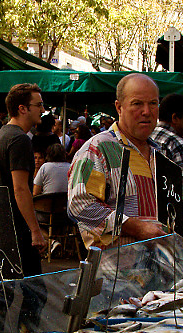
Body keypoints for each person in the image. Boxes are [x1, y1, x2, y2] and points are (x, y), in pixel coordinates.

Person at [68, 73, 167, 248]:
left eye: (153, 103)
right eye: (137, 103)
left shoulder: (161, 154)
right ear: (119, 107)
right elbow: (80, 205)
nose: (147, 111)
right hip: (116, 271)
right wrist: (135, 227)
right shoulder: (97, 148)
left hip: (160, 268)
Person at [0, 83, 50, 273]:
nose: (43, 110)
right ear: (22, 108)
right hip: (16, 228)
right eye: (38, 105)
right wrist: (35, 231)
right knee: (35, 293)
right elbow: (20, 189)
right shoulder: (19, 140)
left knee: (4, 293)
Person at [148, 93, 183, 228]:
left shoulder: (147, 136)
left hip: (147, 217)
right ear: (175, 118)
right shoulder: (176, 142)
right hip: (170, 220)